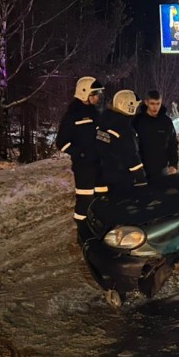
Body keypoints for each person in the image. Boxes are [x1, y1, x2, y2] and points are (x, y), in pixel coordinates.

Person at [55, 76, 104, 239]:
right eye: (94, 94)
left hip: (99, 164)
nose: (97, 97)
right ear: (84, 93)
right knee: (85, 200)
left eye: (98, 94)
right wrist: (80, 154)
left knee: (101, 198)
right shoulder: (72, 116)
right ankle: (82, 234)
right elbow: (61, 143)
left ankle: (101, 230)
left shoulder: (96, 113)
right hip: (84, 167)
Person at [96, 90, 148, 196]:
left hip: (99, 177)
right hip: (120, 179)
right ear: (129, 106)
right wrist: (141, 180)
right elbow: (132, 157)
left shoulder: (103, 122)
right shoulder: (124, 129)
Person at [132, 90, 179, 184]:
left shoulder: (166, 122)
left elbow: (173, 144)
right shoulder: (137, 121)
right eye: (152, 103)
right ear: (146, 102)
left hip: (162, 169)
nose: (155, 107)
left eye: (158, 103)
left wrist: (173, 165)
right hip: (142, 170)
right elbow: (131, 145)